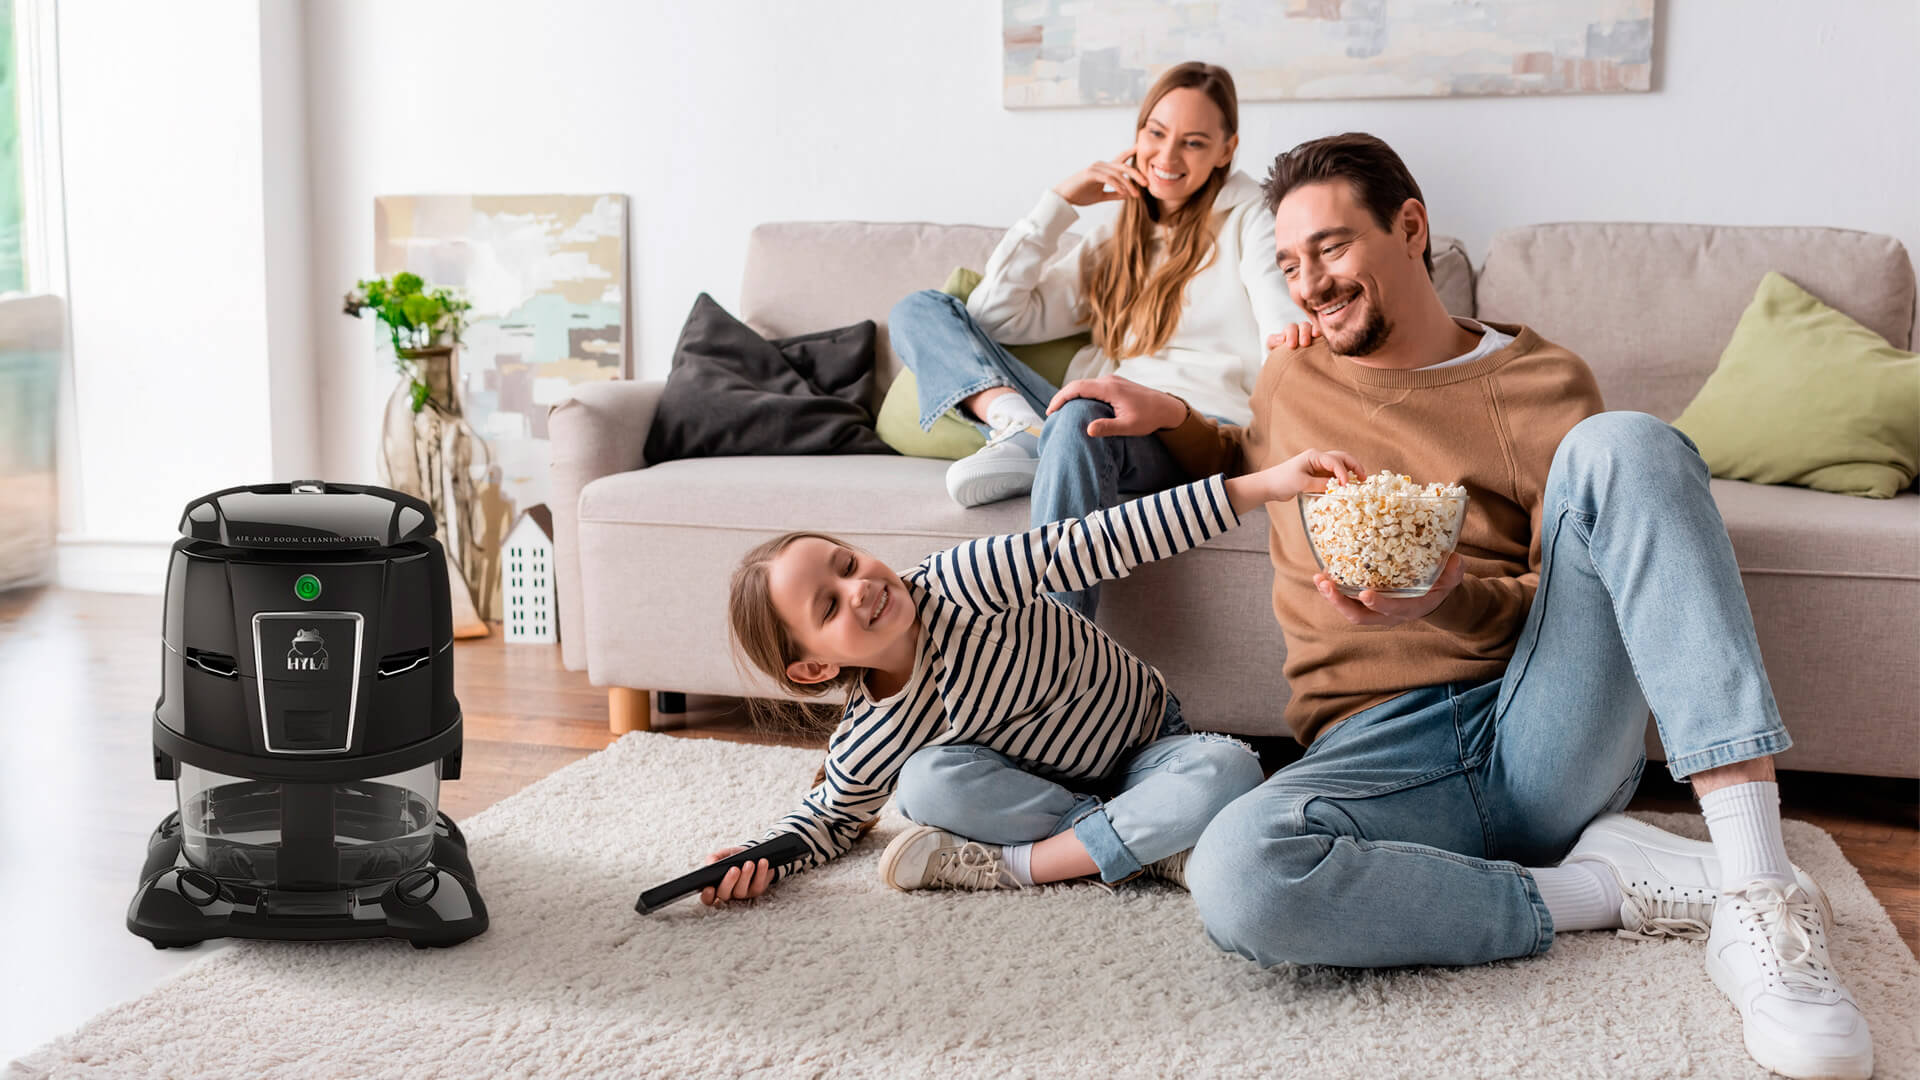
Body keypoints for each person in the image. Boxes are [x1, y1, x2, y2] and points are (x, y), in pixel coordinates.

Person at [1048, 132, 1871, 1080]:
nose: (1309, 282)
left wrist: (1446, 602)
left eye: (1332, 248)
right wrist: (1175, 421)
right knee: (1238, 877)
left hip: (1540, 725)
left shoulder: (1543, 383)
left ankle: (1760, 899)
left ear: (1410, 228)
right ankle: (1599, 891)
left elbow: (1576, 593)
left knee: (1630, 444)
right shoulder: (1292, 372)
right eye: (1288, 262)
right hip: (1373, 751)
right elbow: (1248, 455)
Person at [692, 449, 1363, 904]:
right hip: (1043, 799)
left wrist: (1268, 483)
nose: (859, 587)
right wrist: (760, 858)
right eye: (830, 606)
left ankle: (1028, 867)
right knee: (923, 786)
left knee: (1229, 769)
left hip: (1148, 750)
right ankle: (1145, 847)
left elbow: (1109, 537)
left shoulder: (963, 580)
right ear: (816, 666)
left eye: (846, 563)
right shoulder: (872, 737)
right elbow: (831, 819)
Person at [887, 60, 1311, 619]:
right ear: (1137, 134)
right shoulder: (1116, 232)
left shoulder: (1251, 217)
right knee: (920, 309)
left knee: (1082, 411)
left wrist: (1291, 353)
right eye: (1156, 133)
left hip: (1184, 428)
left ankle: (1062, 649)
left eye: (1193, 142)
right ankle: (1019, 424)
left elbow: (1276, 317)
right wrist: (1059, 203)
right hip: (1082, 418)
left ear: (1225, 150)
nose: (1167, 156)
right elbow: (995, 317)